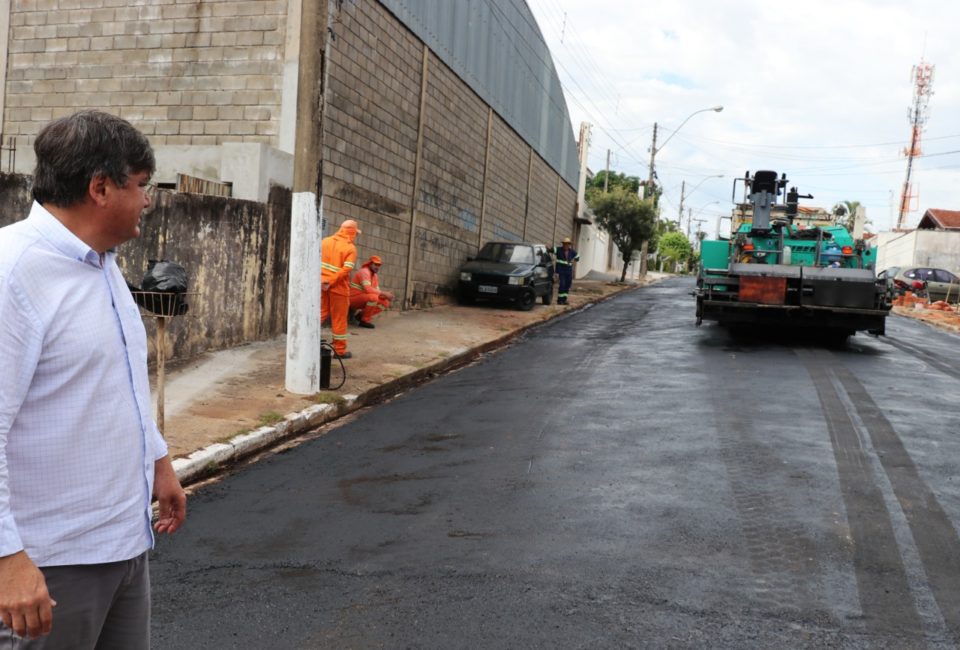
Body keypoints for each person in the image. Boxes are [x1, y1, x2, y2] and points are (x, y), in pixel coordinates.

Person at [0, 110, 186, 648]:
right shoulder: (15, 274)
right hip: (48, 566)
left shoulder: (103, 267)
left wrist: (159, 462)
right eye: (141, 185)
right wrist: (8, 558)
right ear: (100, 187)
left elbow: (121, 385)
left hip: (124, 545)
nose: (148, 200)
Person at [320, 219, 360, 358]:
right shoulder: (350, 248)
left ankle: (305, 341)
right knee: (339, 319)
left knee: (320, 313)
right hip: (338, 287)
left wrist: (324, 281)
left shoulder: (325, 241)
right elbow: (346, 269)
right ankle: (339, 350)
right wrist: (330, 281)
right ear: (352, 233)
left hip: (321, 284)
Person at [349, 255, 394, 329]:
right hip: (352, 299)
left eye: (379, 265)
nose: (377, 267)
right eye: (375, 265)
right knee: (373, 298)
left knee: (385, 302)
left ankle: (360, 316)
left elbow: (377, 291)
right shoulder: (364, 272)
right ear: (370, 264)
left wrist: (386, 296)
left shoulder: (375, 276)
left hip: (364, 298)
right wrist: (384, 293)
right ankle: (365, 321)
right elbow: (368, 289)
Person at [552, 236, 580, 305]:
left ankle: (564, 300)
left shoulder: (571, 251)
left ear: (569, 244)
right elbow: (552, 250)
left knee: (567, 285)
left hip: (568, 271)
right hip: (561, 271)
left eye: (567, 244)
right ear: (563, 244)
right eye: (565, 244)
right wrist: (547, 249)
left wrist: (574, 261)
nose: (566, 245)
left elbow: (578, 256)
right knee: (562, 285)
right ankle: (560, 300)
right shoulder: (559, 250)